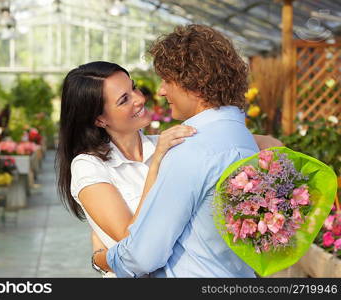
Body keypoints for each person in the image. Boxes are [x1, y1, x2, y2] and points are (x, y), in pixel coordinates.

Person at [56, 60, 282, 276]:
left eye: (133, 88)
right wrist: (156, 165)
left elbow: (269, 143)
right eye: (124, 99)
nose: (139, 99)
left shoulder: (165, 144)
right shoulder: (88, 166)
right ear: (99, 120)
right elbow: (132, 244)